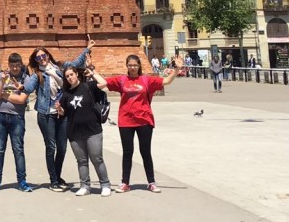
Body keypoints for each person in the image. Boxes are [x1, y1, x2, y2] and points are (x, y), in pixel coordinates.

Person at [23, 39, 93, 191]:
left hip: (62, 113)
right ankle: (53, 180)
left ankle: (57, 176)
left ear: (48, 55)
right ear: (35, 60)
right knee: (51, 147)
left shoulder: (59, 68)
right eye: (38, 57)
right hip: (46, 114)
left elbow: (76, 63)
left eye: (43, 55)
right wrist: (19, 83)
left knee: (62, 147)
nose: (42, 58)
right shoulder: (38, 74)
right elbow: (28, 88)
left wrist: (87, 49)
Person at [105, 54, 178, 193]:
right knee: (127, 152)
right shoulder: (122, 80)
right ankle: (125, 182)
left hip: (144, 119)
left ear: (139, 66)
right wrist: (91, 70)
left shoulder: (146, 80)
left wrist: (177, 69)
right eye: (130, 65)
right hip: (126, 120)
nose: (132, 67)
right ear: (127, 66)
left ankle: (151, 182)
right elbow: (104, 82)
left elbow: (166, 81)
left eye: (135, 65)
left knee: (145, 152)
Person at [63, 64, 111, 196]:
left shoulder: (88, 86)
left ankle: (105, 184)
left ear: (76, 74)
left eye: (71, 74)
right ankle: (85, 186)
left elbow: (104, 83)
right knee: (81, 161)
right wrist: (60, 110)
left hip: (93, 130)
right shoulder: (66, 94)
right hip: (75, 132)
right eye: (67, 76)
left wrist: (93, 73)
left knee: (97, 158)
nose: (70, 78)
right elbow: (63, 112)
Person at [0, 52, 31, 192]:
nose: (14, 68)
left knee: (18, 150)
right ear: (8, 65)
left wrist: (4, 94)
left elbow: (21, 100)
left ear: (21, 65)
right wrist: (1, 82)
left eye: (17, 66)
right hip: (0, 116)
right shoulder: (2, 76)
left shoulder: (26, 79)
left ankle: (22, 181)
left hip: (17, 117)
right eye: (12, 65)